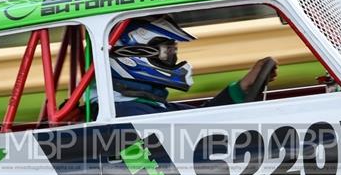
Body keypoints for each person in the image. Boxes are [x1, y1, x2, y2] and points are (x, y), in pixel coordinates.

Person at [107, 15, 278, 117]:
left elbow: (202, 121)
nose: (174, 58)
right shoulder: (130, 112)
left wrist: (241, 88)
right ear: (129, 57)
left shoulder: (146, 102)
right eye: (167, 52)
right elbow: (197, 139)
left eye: (174, 51)